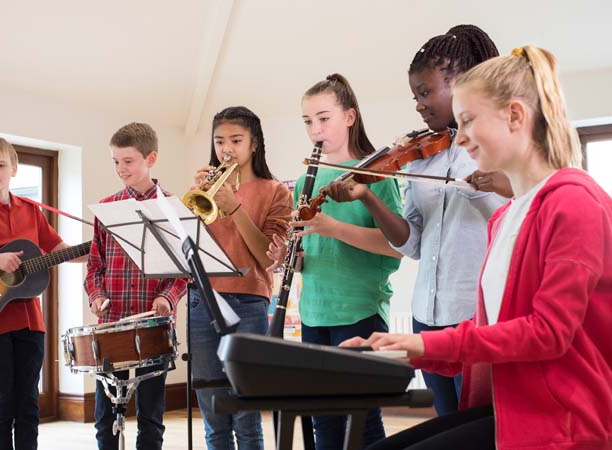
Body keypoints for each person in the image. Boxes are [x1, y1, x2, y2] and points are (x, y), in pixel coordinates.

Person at [343, 45, 612, 450]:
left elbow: (548, 334)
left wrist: (422, 343)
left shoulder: (573, 201)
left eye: (468, 121)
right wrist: (397, 350)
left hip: (563, 421)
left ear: (516, 116)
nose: (460, 136)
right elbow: (490, 337)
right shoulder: (504, 219)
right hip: (509, 409)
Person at [323, 25, 509, 416]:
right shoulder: (423, 156)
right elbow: (412, 244)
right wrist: (369, 196)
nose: (419, 105)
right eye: (415, 96)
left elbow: (513, 220)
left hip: (476, 314)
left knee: (480, 426)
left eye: (426, 93)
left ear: (460, 84)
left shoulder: (495, 146)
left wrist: (478, 187)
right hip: (428, 314)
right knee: (446, 424)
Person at [268, 73, 403, 450]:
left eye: (324, 118)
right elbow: (309, 257)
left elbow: (397, 247)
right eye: (308, 121)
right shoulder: (304, 179)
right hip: (315, 313)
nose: (315, 130)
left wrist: (332, 228)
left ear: (349, 117)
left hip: (359, 310)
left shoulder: (378, 173)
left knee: (361, 423)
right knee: (324, 422)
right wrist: (286, 258)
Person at [0, 137, 86, 450]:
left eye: (0, 165)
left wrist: (94, 251)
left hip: (30, 321)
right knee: (2, 404)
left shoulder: (30, 210)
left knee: (28, 403)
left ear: (14, 169)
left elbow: (58, 248)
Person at [187, 106, 292, 450]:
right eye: (219, 141)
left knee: (246, 415)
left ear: (254, 144)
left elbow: (266, 257)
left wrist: (233, 206)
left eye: (236, 139)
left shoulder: (276, 191)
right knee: (213, 414)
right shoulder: (204, 189)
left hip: (249, 300)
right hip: (203, 301)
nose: (226, 148)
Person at [84, 122, 188, 450]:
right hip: (112, 325)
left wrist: (168, 298)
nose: (120, 169)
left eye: (128, 161)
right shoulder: (106, 208)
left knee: (151, 416)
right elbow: (94, 267)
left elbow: (184, 270)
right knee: (105, 417)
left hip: (153, 327)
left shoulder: (172, 208)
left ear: (150, 158)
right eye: (115, 161)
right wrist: (97, 295)